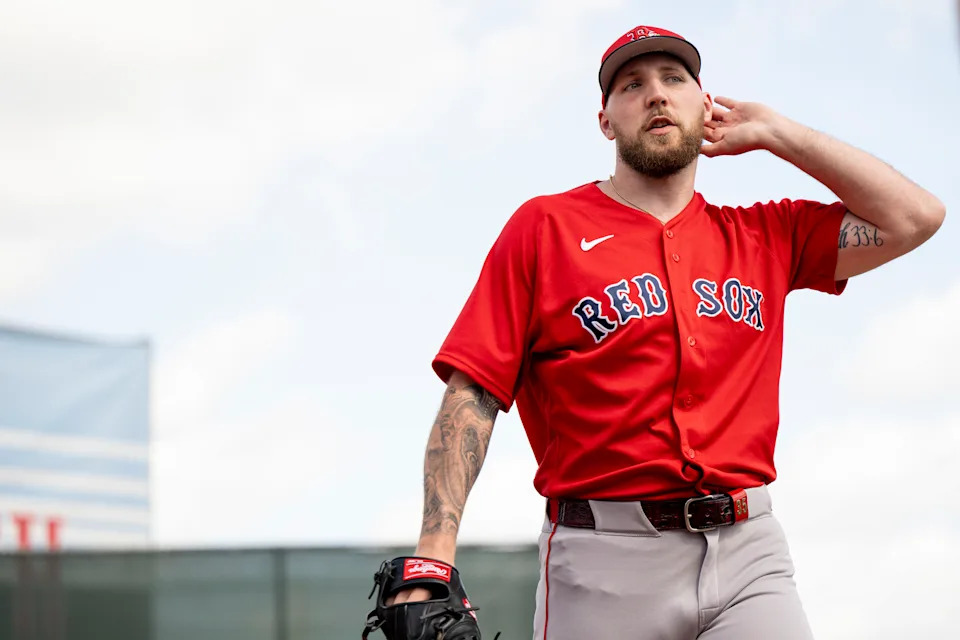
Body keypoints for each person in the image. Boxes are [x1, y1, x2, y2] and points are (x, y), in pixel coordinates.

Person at [391, 24, 945, 639]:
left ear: (704, 106)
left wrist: (778, 134)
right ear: (605, 120)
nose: (655, 94)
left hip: (748, 554)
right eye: (633, 84)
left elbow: (915, 218)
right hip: (602, 561)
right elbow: (473, 395)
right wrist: (432, 558)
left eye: (673, 79)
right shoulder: (544, 228)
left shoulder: (765, 234)